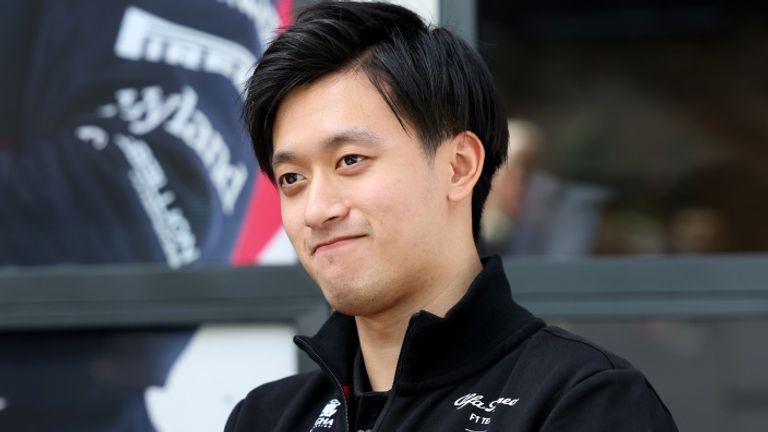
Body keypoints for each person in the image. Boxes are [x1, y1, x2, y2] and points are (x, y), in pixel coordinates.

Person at [227, 1, 678, 431]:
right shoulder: (266, 417)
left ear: (459, 166)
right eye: (291, 178)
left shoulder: (584, 401)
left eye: (350, 160)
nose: (317, 210)